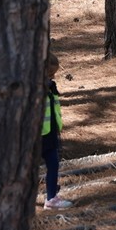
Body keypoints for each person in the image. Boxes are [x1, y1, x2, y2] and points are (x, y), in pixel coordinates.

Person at [41, 50, 73, 210]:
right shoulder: (34, 91)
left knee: (53, 164)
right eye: (50, 74)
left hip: (51, 133)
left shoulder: (50, 88)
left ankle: (51, 197)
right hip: (37, 137)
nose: (53, 77)